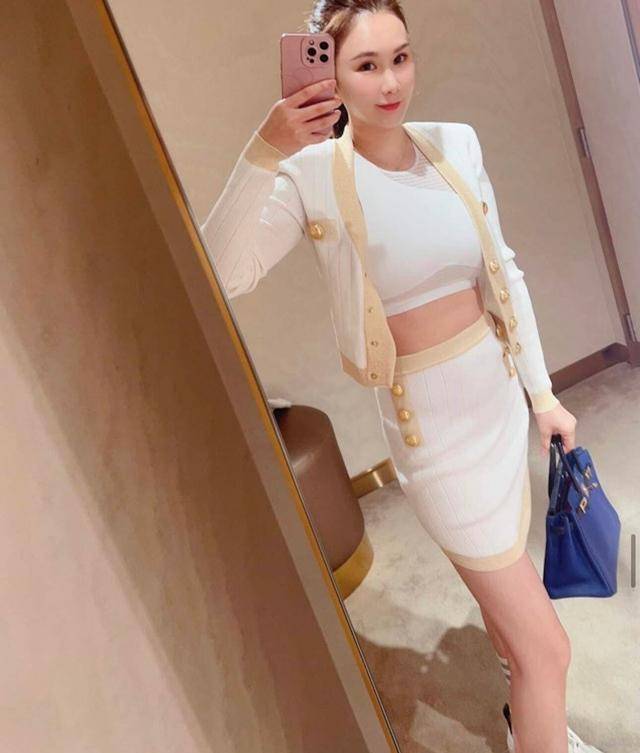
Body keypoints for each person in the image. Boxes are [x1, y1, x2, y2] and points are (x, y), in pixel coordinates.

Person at [201, 2, 604, 751]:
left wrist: (542, 394)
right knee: (549, 648)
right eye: (366, 65)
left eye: (401, 57)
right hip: (434, 438)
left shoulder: (456, 143)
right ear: (330, 73)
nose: (391, 82)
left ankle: (527, 721)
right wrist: (264, 150)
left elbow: (504, 270)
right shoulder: (311, 174)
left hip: (495, 404)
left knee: (512, 606)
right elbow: (221, 274)